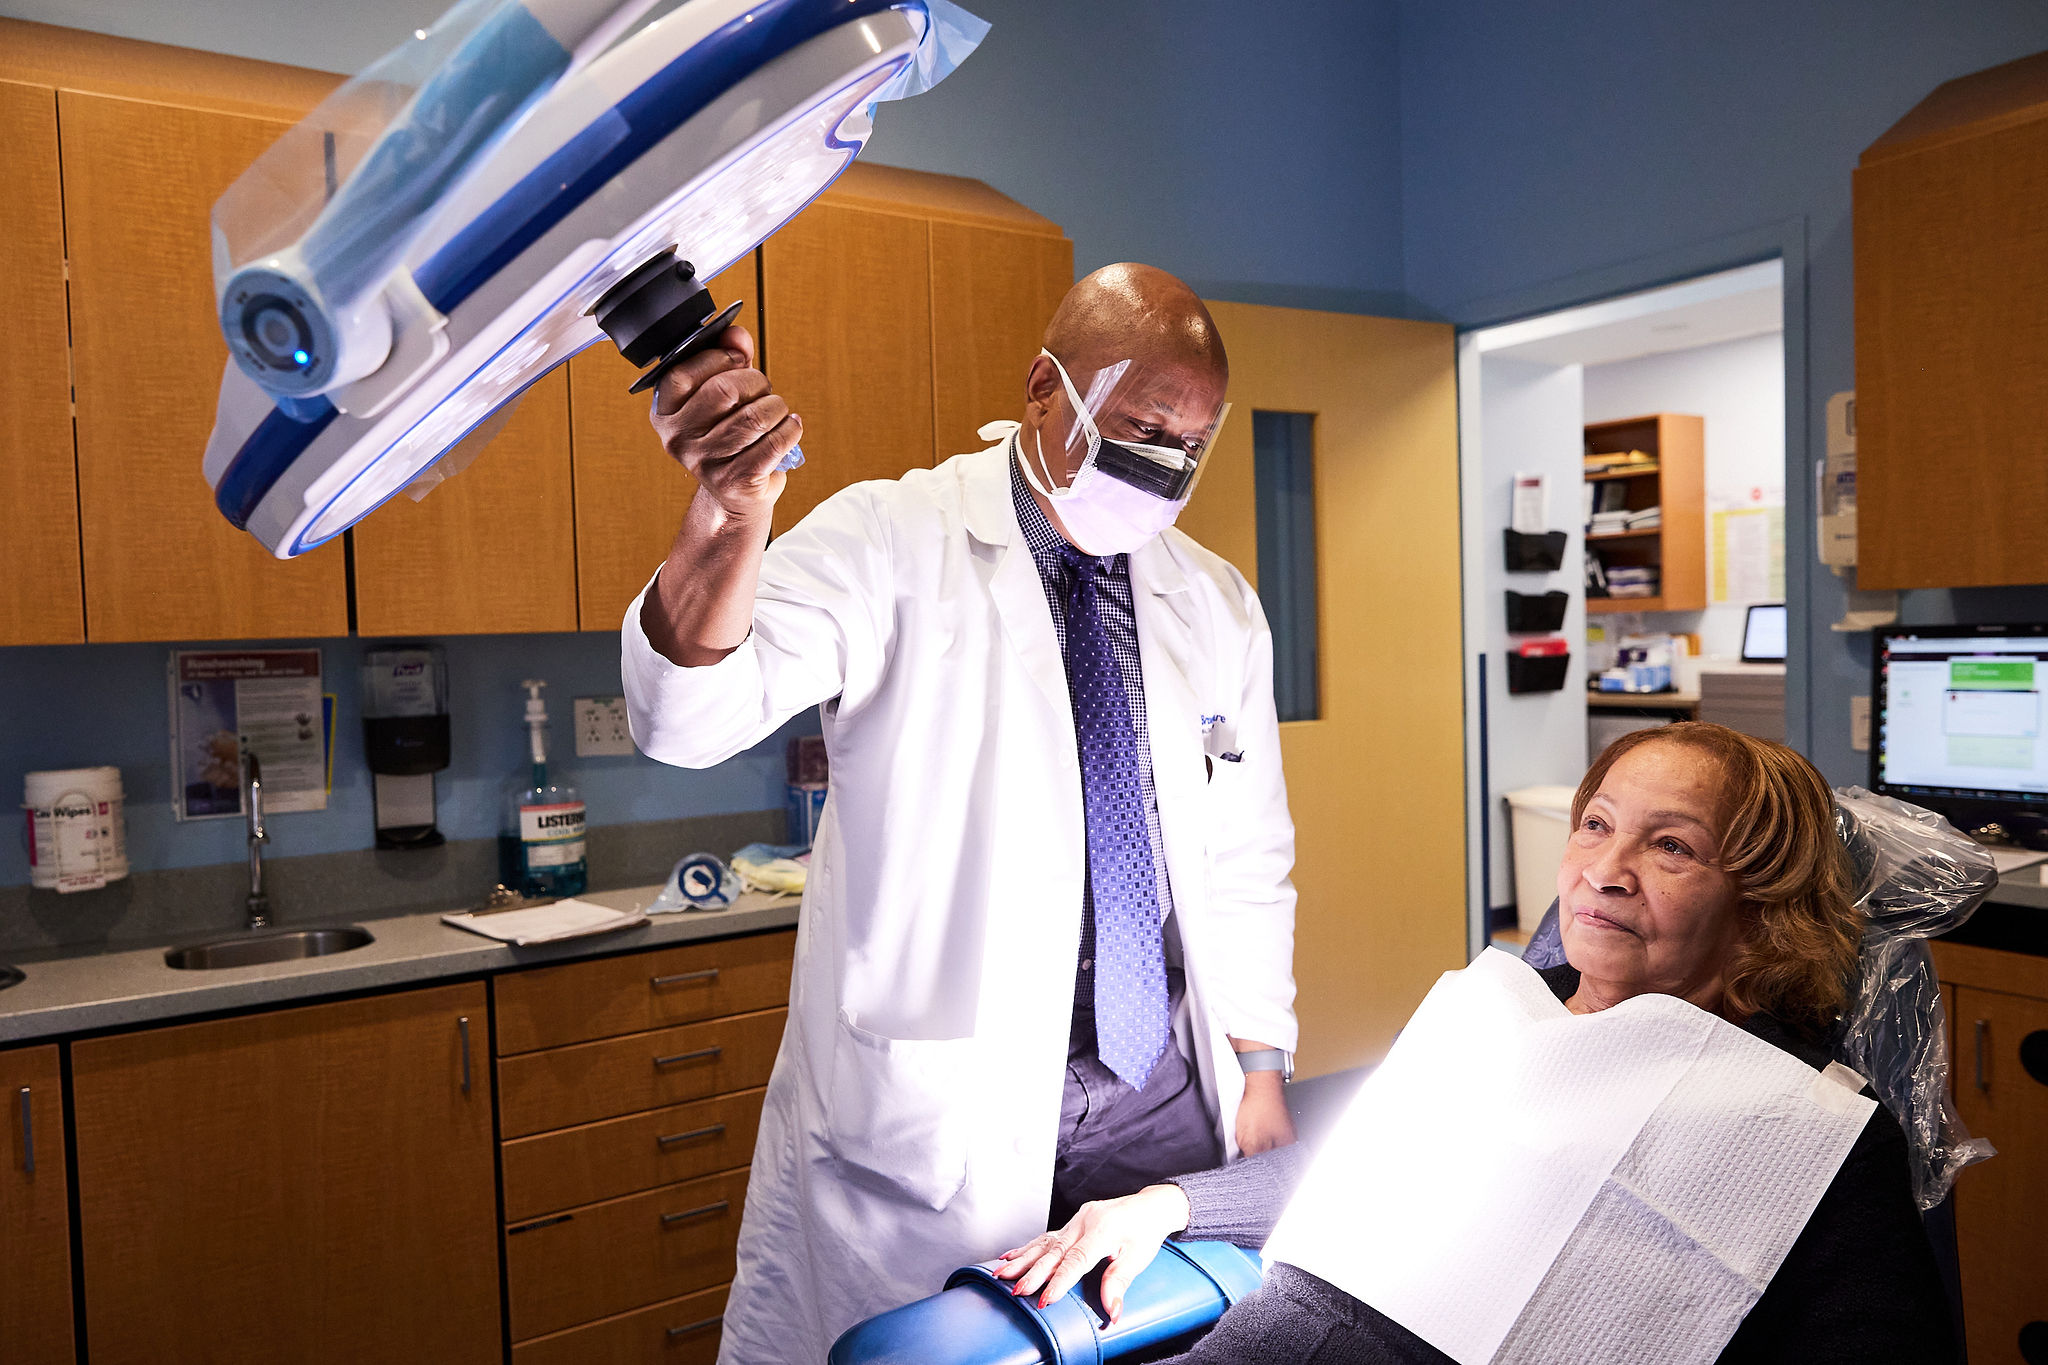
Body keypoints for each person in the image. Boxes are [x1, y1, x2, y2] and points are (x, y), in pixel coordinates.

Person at [622, 263, 1300, 1363]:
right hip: (952, 1121)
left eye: (1190, 441)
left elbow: (1246, 858)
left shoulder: (1213, 600)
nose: (1162, 466)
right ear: (1045, 386)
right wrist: (727, 511)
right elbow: (686, 715)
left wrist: (1260, 1065)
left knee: (1160, 1346)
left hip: (1168, 1105)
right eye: (1136, 426)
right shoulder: (890, 542)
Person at [996, 723, 1957, 1364]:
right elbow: (1368, 1158)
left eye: (1672, 847)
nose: (1605, 873)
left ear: (1761, 903)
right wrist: (1166, 1203)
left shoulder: (1796, 1128)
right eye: (1595, 826)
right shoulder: (1509, 1013)